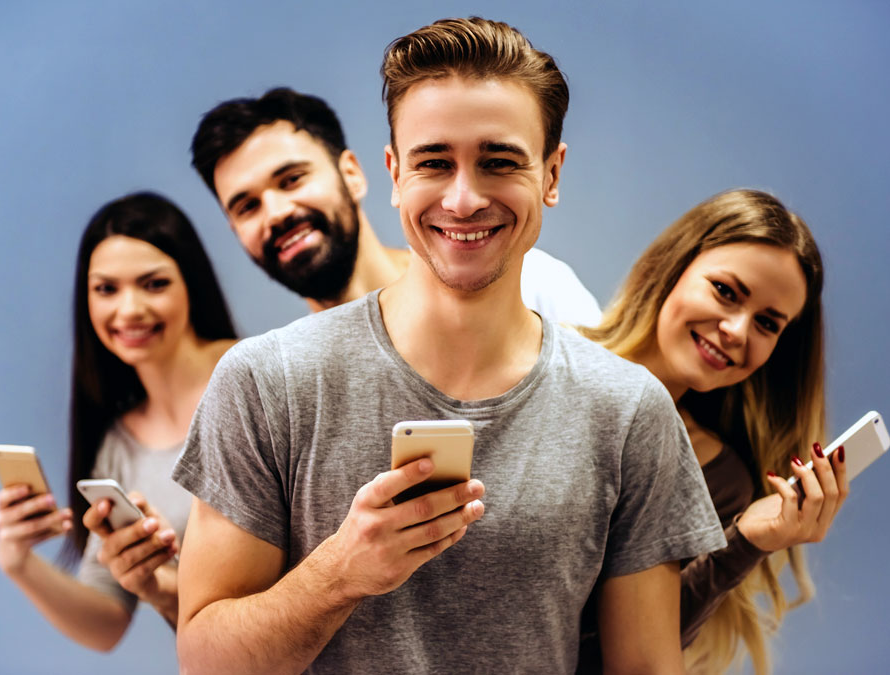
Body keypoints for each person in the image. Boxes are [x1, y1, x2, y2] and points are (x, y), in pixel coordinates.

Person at [172, 17, 726, 674]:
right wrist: (340, 571)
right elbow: (206, 661)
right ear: (394, 172)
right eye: (435, 162)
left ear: (552, 173)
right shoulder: (267, 383)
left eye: (499, 161)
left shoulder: (630, 411)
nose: (463, 199)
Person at [578, 188, 847, 674]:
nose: (738, 331)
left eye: (767, 323)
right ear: (674, 266)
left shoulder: (720, 479)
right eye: (726, 291)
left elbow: (633, 655)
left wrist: (746, 541)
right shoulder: (544, 354)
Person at [0, 192, 236, 651]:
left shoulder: (257, 374)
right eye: (106, 289)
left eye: (153, 284)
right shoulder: (117, 447)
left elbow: (289, 580)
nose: (128, 310)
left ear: (191, 283)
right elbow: (106, 625)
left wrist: (163, 583)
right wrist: (17, 563)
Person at [190, 86, 602, 325]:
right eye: (247, 206)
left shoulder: (535, 285)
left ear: (352, 173)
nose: (276, 212)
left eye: (292, 179)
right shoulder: (287, 377)